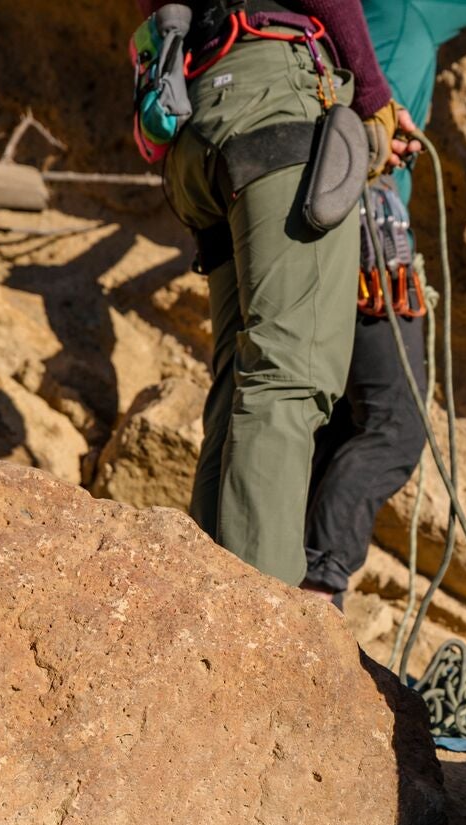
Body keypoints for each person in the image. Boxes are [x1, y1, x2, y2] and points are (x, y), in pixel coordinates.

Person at [136, 0, 421, 587]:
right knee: (286, 377)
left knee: (239, 385)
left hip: (195, 113)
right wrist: (373, 99)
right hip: (275, 98)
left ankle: (205, 602)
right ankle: (258, 616)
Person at [298, 0, 466, 606]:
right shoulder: (406, 8)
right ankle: (318, 585)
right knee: (395, 426)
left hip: (308, 215)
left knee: (334, 418)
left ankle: (287, 567)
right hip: (367, 223)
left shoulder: (320, 20)